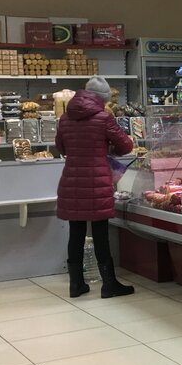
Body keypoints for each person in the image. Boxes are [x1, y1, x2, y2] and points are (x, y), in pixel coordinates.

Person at [55, 76, 135, 299]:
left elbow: (61, 147)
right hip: (97, 182)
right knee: (100, 234)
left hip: (72, 181)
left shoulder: (65, 118)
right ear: (102, 98)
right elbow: (126, 145)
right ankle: (109, 284)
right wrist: (108, 149)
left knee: (76, 233)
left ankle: (76, 284)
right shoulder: (103, 117)